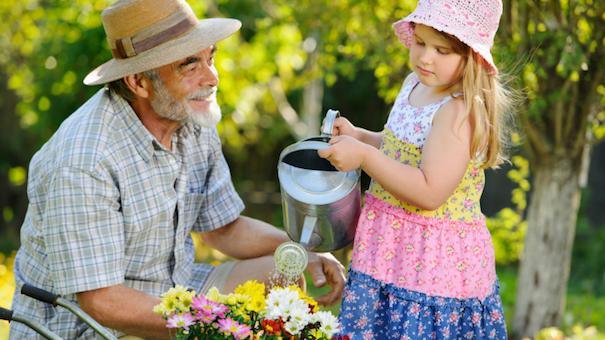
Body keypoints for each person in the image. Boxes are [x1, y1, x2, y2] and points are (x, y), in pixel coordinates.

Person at [10, 0, 345, 338]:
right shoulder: (85, 160)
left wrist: (304, 253)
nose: (212, 77)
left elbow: (222, 230)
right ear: (138, 82)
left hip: (175, 290)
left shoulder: (191, 119)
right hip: (88, 326)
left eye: (209, 58)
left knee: (282, 271)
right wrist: (214, 324)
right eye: (190, 65)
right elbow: (103, 302)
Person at [318, 0, 511, 338]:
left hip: (433, 266)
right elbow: (401, 149)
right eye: (421, 42)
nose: (425, 57)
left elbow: (429, 191)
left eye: (442, 50)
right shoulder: (414, 85)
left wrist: (363, 156)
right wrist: (362, 137)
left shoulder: (457, 111)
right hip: (390, 250)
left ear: (471, 58)